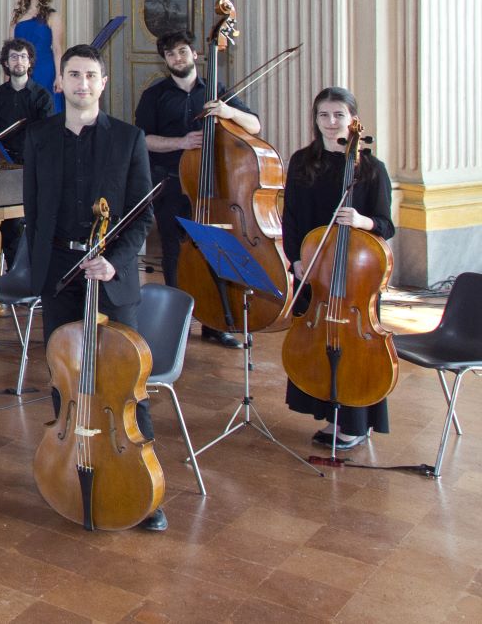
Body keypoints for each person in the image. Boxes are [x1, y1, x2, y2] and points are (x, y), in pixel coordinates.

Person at [21, 45, 164, 532]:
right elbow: (34, 210)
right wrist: (43, 268)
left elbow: (142, 214)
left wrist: (115, 261)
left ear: (104, 83)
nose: (83, 84)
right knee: (66, 376)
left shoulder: (129, 139)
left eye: (91, 76)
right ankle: (70, 467)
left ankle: (142, 491)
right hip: (60, 271)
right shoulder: (38, 138)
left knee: (126, 386)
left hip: (111, 272)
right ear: (60, 82)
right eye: (74, 76)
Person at [282, 87, 395, 450]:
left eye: (338, 115)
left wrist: (363, 221)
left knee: (355, 348)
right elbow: (292, 218)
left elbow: (386, 224)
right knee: (319, 343)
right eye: (323, 116)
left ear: (352, 119)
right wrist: (295, 259)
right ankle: (332, 414)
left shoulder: (371, 169)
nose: (331, 123)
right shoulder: (302, 162)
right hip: (316, 274)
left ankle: (356, 423)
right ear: (315, 120)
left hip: (357, 282)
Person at [134, 30, 261, 347]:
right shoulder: (154, 96)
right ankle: (176, 325)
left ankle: (216, 323)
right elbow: (142, 139)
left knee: (214, 250)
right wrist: (181, 142)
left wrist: (228, 111)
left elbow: (255, 125)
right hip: (171, 183)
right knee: (175, 255)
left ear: (195, 54)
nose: (178, 58)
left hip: (212, 187)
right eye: (171, 54)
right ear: (165, 61)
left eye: (182, 51)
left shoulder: (215, 90)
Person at [0, 38, 56, 265]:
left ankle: (25, 270)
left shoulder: (42, 96)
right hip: (3, 165)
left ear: (30, 62)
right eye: (14, 57)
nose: (18, 61)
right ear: (6, 62)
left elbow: (46, 136)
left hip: (29, 166)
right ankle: (10, 270)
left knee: (22, 221)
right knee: (4, 221)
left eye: (23, 56)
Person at [9, 0, 65, 105]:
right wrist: (8, 75)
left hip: (45, 67)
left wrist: (59, 76)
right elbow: (10, 48)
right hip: (21, 66)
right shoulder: (17, 16)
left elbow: (57, 49)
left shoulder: (52, 15)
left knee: (47, 105)